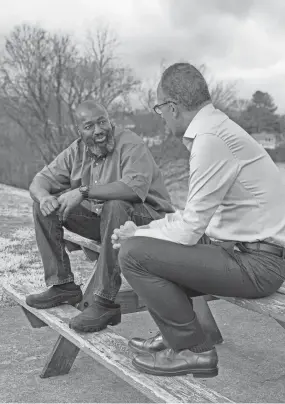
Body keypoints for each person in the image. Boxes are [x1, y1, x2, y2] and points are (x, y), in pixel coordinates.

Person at [112, 63, 285, 378]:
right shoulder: (216, 130)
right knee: (144, 247)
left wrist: (138, 239)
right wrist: (142, 230)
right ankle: (173, 336)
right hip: (243, 251)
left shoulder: (211, 139)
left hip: (258, 264)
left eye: (160, 109)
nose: (161, 117)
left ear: (173, 107)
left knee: (134, 255)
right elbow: (193, 217)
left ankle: (194, 349)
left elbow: (190, 229)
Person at [26, 100, 174, 333]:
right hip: (109, 221)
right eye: (89, 126)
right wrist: (45, 198)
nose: (98, 130)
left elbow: (132, 190)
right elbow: (38, 182)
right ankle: (62, 284)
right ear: (79, 131)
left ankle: (104, 302)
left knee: (115, 204)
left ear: (109, 121)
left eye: (102, 122)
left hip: (151, 224)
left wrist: (83, 191)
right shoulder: (76, 152)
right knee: (45, 207)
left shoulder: (131, 144)